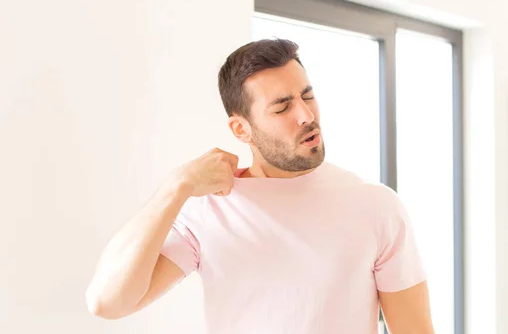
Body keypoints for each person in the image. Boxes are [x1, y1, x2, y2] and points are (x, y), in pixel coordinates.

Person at [85, 38, 434, 334]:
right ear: (241, 130)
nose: (306, 116)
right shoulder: (212, 208)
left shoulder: (375, 206)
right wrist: (175, 188)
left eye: (307, 96)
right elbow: (108, 301)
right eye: (282, 108)